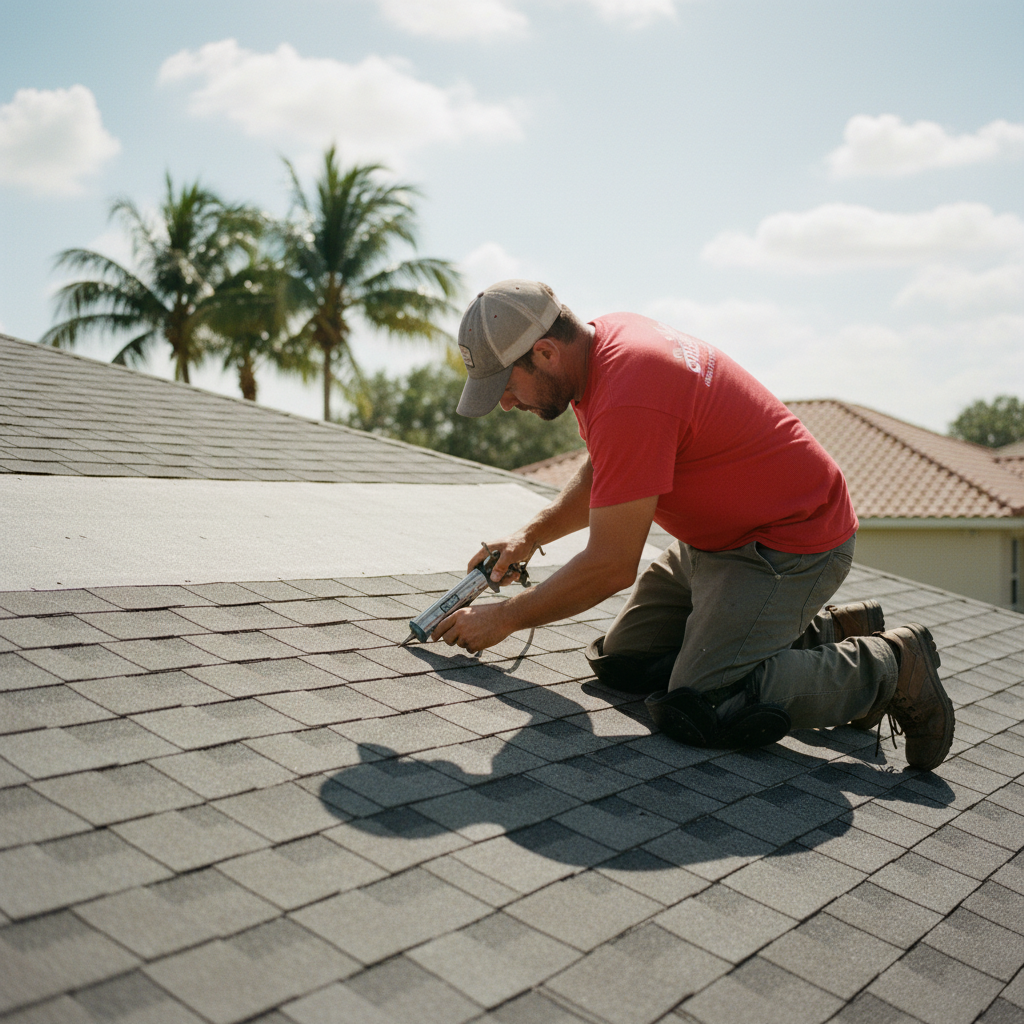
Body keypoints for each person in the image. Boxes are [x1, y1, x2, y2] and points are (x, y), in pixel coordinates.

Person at [433, 280, 955, 771]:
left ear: (545, 351)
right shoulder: (604, 346)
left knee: (703, 701)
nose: (505, 402)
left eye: (506, 384)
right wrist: (531, 537)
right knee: (627, 663)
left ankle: (888, 665)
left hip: (788, 546)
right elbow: (611, 466)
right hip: (717, 545)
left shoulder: (630, 387)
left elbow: (611, 566)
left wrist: (502, 619)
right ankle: (828, 631)